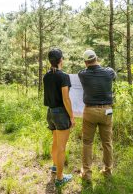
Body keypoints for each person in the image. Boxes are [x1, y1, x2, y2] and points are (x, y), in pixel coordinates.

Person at [78, 50, 116, 182]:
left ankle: (87, 174)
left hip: (90, 111)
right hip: (107, 111)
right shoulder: (109, 72)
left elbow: (84, 71)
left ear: (85, 62)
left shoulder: (82, 74)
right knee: (107, 142)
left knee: (87, 142)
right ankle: (108, 171)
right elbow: (112, 73)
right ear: (97, 58)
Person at [43, 48, 75, 187]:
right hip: (61, 114)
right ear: (61, 60)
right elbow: (66, 98)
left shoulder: (46, 76)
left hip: (50, 113)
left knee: (55, 142)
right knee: (61, 147)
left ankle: (55, 167)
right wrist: (72, 117)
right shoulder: (63, 76)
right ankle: (60, 179)